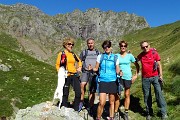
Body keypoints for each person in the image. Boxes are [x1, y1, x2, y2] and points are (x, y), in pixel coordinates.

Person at [137, 41, 168, 120]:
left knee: (159, 94)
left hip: (155, 77)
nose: (145, 48)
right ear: (141, 48)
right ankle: (149, 113)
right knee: (147, 96)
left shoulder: (154, 53)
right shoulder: (141, 55)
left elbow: (159, 64)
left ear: (149, 45)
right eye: (143, 47)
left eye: (146, 46)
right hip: (145, 78)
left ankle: (163, 113)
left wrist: (161, 75)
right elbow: (135, 60)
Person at [92, 40, 120, 120]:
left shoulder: (115, 57)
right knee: (102, 102)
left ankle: (111, 117)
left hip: (112, 80)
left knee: (112, 102)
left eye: (108, 46)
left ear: (111, 47)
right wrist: (92, 69)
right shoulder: (100, 56)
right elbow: (96, 68)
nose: (106, 48)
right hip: (103, 80)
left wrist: (120, 72)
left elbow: (117, 69)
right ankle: (98, 117)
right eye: (105, 47)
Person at [114, 40, 139, 120]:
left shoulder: (130, 56)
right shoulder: (116, 55)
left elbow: (137, 65)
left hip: (128, 77)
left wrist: (136, 75)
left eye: (124, 46)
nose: (123, 47)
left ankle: (126, 112)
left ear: (126, 47)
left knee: (127, 94)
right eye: (121, 46)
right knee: (117, 95)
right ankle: (115, 112)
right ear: (120, 46)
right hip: (118, 77)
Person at [55, 37, 82, 111]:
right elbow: (57, 65)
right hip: (65, 76)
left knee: (78, 92)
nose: (71, 46)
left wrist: (79, 67)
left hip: (74, 75)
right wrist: (60, 73)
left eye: (72, 44)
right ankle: (64, 108)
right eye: (69, 44)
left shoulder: (73, 54)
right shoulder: (62, 54)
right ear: (65, 45)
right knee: (65, 93)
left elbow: (79, 61)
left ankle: (76, 109)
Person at [79, 38, 100, 113]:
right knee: (82, 84)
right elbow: (79, 61)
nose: (90, 44)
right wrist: (79, 67)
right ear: (87, 44)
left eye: (92, 43)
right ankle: (81, 102)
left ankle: (91, 106)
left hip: (94, 73)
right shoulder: (84, 52)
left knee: (92, 90)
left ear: (94, 43)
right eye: (89, 43)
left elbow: (100, 62)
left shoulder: (97, 52)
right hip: (85, 71)